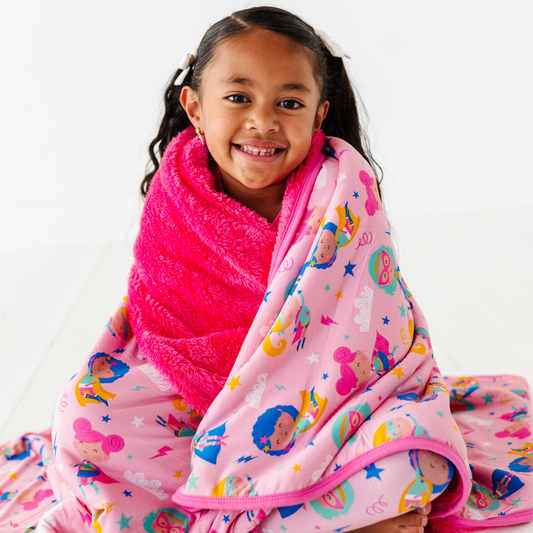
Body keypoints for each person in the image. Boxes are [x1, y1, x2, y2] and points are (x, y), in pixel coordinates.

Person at [2, 6, 531, 533]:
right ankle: (321, 517)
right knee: (83, 415)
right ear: (195, 108)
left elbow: (368, 321)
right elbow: (160, 311)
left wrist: (287, 403)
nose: (263, 121)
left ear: (318, 115)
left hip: (322, 398)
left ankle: (300, 505)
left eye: (289, 102)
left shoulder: (341, 189)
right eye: (238, 98)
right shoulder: (178, 187)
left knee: (414, 451)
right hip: (192, 386)